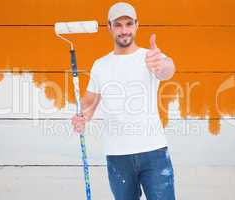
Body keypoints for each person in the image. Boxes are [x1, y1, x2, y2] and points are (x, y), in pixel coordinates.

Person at [71, 2, 176, 200]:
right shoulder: (100, 65)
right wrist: (81, 116)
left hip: (153, 152)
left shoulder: (150, 56)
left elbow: (168, 70)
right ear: (109, 27)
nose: (124, 30)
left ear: (137, 25)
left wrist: (161, 64)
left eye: (129, 24)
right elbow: (90, 104)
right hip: (118, 156)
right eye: (118, 25)